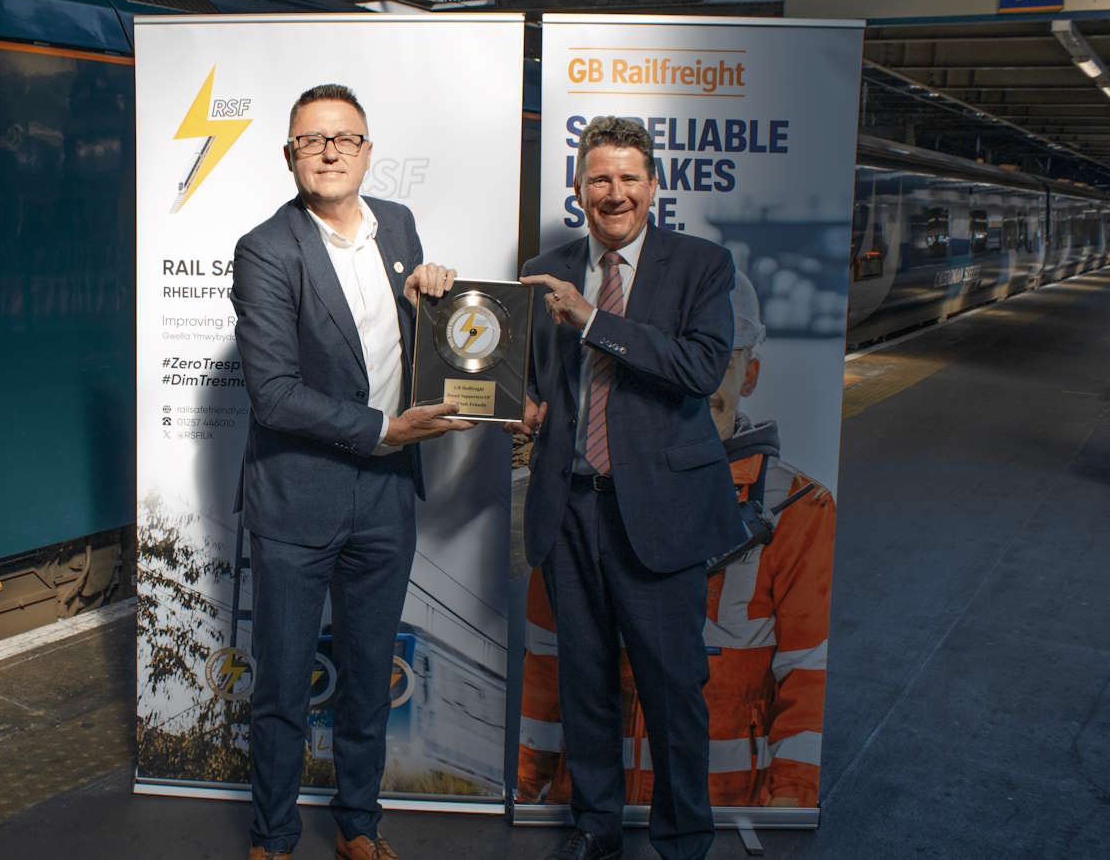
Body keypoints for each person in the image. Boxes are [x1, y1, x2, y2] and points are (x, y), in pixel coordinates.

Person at [231, 83, 473, 860]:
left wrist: (428, 297)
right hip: (298, 497)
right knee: (283, 684)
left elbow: (411, 339)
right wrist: (382, 430)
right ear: (290, 157)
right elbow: (272, 395)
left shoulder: (397, 225)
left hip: (387, 496)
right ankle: (272, 836)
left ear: (367, 152)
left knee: (372, 671)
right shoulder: (266, 249)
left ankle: (358, 825)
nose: (329, 150)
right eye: (311, 140)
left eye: (344, 137)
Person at [509, 116, 745, 860]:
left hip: (661, 513)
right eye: (600, 179)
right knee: (585, 682)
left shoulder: (701, 265)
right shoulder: (545, 264)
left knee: (673, 687)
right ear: (578, 188)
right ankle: (595, 827)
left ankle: (682, 839)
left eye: (629, 179)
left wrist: (594, 320)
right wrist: (526, 410)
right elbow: (534, 380)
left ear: (654, 186)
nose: (615, 194)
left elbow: (700, 369)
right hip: (570, 505)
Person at [516, 272, 836, 811]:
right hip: (595, 807)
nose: (695, 383)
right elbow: (547, 659)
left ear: (749, 374)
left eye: (719, 361)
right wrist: (528, 789)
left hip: (728, 815)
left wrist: (790, 812)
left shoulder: (799, 510)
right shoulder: (580, 490)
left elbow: (806, 681)